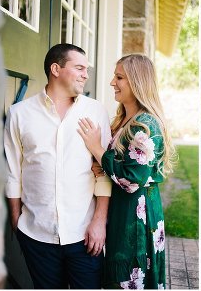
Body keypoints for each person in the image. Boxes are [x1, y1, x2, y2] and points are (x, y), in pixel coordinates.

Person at [4, 43, 112, 288]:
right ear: (56, 69)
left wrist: (99, 222)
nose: (86, 74)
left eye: (87, 69)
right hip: (36, 233)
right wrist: (16, 222)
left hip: (84, 234)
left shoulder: (95, 111)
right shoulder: (19, 113)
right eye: (79, 68)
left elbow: (103, 173)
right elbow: (13, 172)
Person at [77, 54, 175, 289]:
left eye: (119, 77)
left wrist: (97, 149)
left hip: (136, 217)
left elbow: (131, 179)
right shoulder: (124, 119)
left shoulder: (146, 125)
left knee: (130, 276)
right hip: (123, 211)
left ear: (137, 82)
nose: (112, 82)